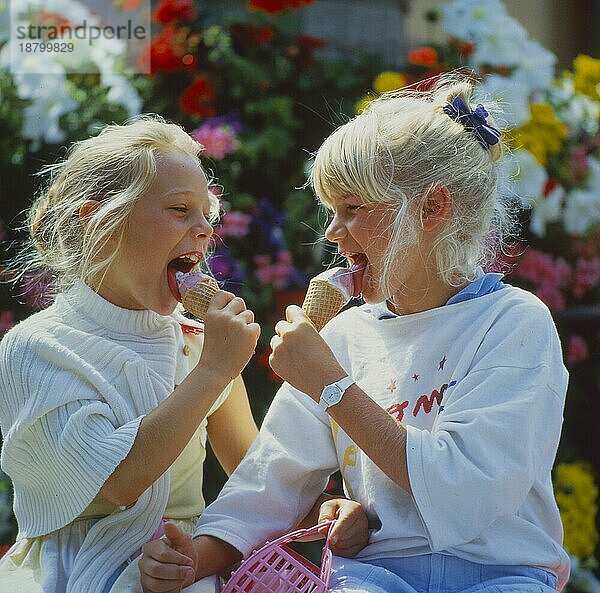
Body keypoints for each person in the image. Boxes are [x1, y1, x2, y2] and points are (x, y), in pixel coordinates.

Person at [139, 74, 570, 593]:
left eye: (353, 209)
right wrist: (199, 556)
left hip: (503, 573)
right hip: (373, 575)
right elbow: (272, 478)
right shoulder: (344, 334)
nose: (332, 232)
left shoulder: (513, 322)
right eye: (331, 211)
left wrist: (332, 386)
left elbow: (465, 491)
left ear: (432, 207)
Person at [0, 116, 368, 593]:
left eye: (207, 215)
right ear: (99, 222)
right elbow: (118, 480)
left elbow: (256, 473)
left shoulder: (195, 341)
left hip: (182, 568)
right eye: (179, 210)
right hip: (73, 573)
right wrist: (215, 370)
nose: (204, 231)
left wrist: (328, 509)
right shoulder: (38, 347)